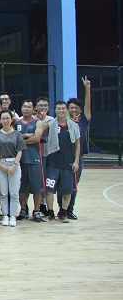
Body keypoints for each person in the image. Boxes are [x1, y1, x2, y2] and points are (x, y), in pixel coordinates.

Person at [59, 76, 91, 219]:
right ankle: (61, 209)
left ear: (80, 110)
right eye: (71, 107)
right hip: (63, 157)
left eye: (76, 108)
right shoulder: (62, 122)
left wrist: (87, 89)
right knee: (62, 184)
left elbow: (88, 106)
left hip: (78, 158)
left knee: (74, 184)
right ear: (67, 109)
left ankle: (70, 209)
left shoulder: (83, 121)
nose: (73, 109)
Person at [43, 101, 80, 223]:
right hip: (53, 163)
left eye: (63, 108)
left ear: (67, 110)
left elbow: (77, 145)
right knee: (49, 190)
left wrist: (76, 161)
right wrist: (42, 119)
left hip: (68, 163)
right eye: (58, 109)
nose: (61, 111)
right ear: (55, 111)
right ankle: (50, 212)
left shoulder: (73, 126)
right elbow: (40, 129)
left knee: (67, 190)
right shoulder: (51, 124)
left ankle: (63, 212)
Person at [0, 110, 26, 227]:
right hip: (1, 164)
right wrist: (0, 164)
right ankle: (5, 215)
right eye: (3, 118)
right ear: (0, 120)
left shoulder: (17, 134)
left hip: (14, 164)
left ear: (11, 119)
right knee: (3, 193)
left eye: (7, 118)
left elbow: (20, 150)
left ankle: (13, 215)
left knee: (14, 193)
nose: (5, 121)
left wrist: (15, 165)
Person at [15, 99, 46, 222]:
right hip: (20, 160)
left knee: (36, 188)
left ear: (34, 110)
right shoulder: (16, 123)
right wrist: (25, 137)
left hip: (34, 159)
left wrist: (20, 142)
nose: (26, 109)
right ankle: (23, 210)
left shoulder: (38, 122)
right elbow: (13, 138)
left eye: (29, 107)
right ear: (21, 108)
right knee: (22, 188)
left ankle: (36, 210)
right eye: (24, 106)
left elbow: (36, 138)